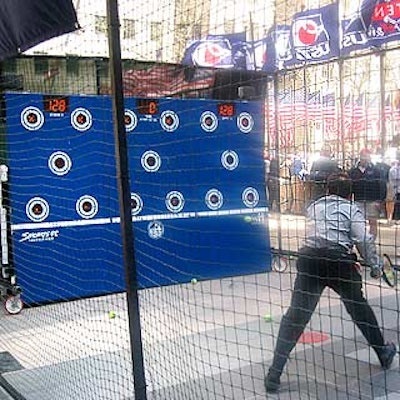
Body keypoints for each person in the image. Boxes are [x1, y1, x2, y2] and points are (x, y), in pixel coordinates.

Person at [265, 172, 396, 393]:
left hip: (310, 261)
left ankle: (274, 374)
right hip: (338, 264)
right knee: (359, 309)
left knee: (296, 316)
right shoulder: (351, 209)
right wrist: (374, 266)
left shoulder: (314, 207)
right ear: (351, 195)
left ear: (327, 190)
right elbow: (363, 239)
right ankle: (383, 352)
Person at [349, 149, 387, 237]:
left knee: (373, 223)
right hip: (358, 201)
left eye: (367, 156)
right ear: (360, 157)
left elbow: (382, 186)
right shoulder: (352, 171)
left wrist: (380, 201)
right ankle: (362, 242)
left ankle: (371, 244)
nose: (365, 158)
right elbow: (350, 187)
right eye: (363, 156)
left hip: (372, 201)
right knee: (358, 224)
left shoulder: (376, 170)